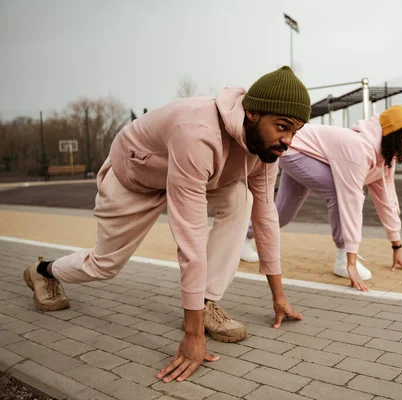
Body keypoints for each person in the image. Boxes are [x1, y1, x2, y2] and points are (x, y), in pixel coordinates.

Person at [22, 66, 310, 383]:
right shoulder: (198, 131)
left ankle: (205, 300)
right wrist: (192, 334)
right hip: (135, 179)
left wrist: (278, 296)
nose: (288, 141)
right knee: (104, 265)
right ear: (252, 114)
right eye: (282, 127)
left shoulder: (266, 149)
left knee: (243, 200)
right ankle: (43, 271)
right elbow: (190, 235)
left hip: (200, 176)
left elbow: (266, 215)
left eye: (295, 132)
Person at [242, 105, 402, 291]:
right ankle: (342, 258)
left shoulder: (385, 160)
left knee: (282, 213)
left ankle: (242, 236)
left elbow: (386, 200)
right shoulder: (360, 148)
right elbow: (351, 199)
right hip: (293, 148)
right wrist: (350, 260)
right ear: (394, 136)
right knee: (338, 192)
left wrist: (396, 246)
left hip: (306, 152)